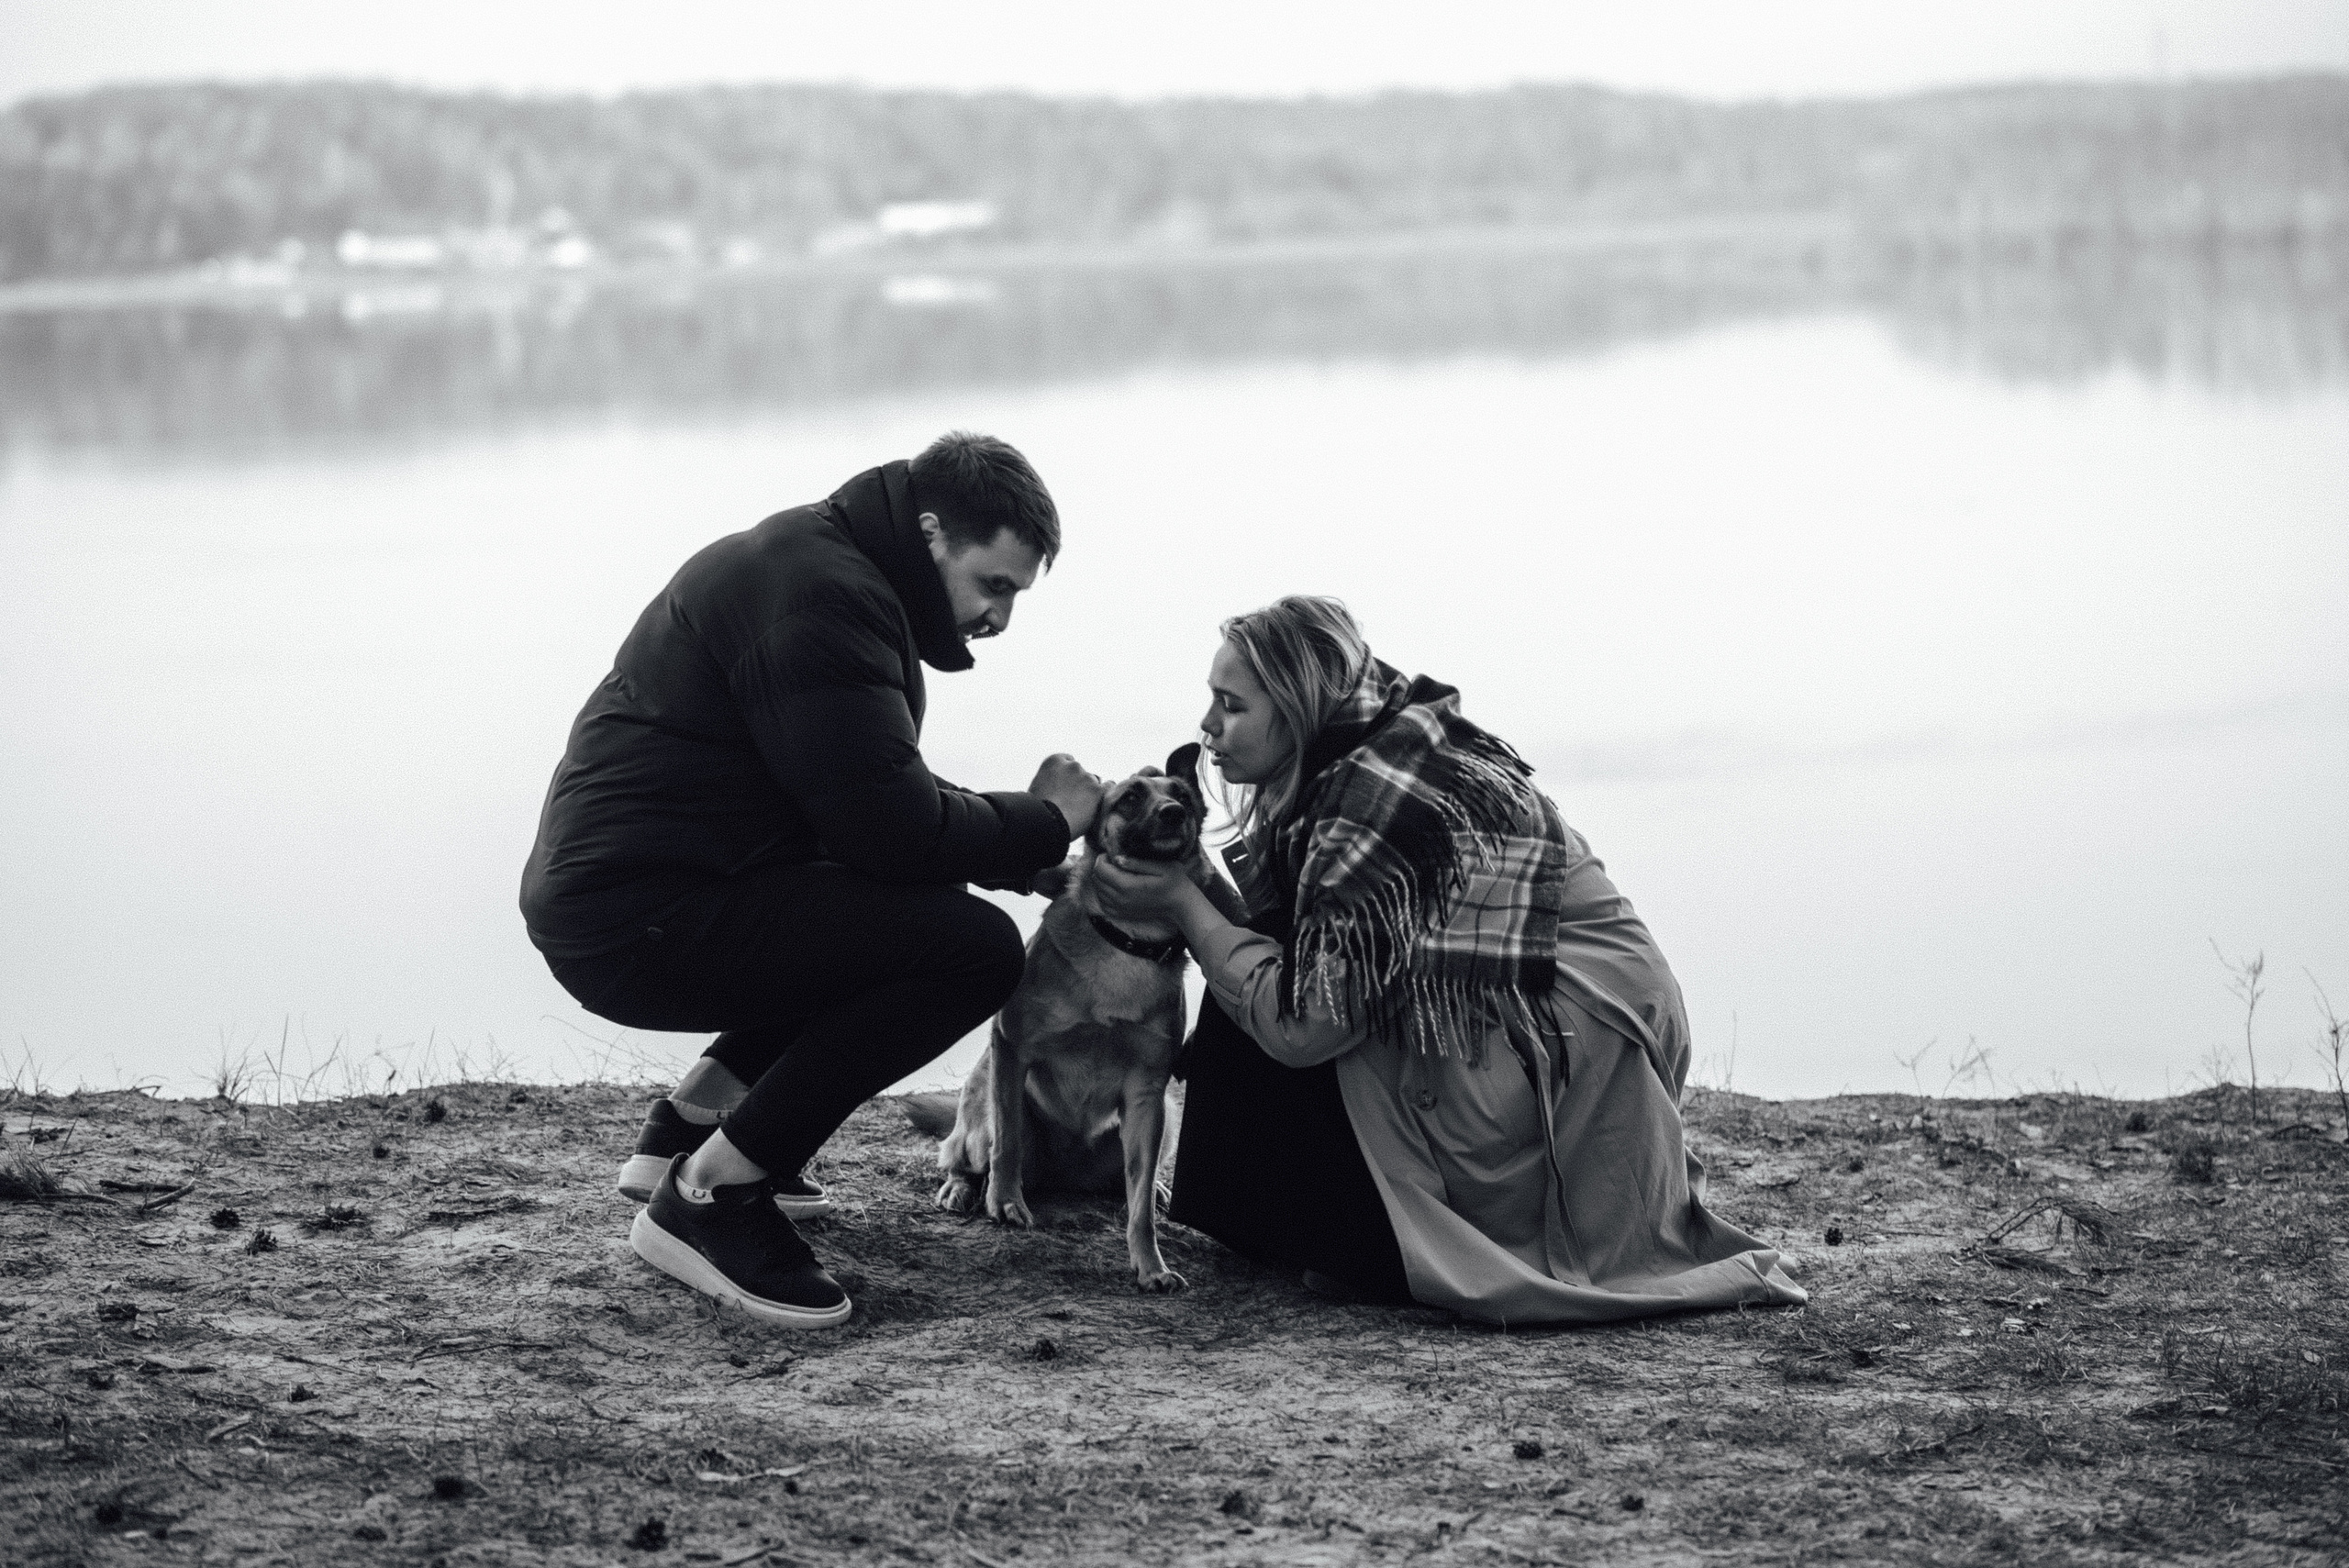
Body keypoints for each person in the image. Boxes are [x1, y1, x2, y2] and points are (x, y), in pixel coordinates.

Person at [521, 432, 1104, 1328]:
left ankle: (689, 1124)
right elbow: (889, 829)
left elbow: (854, 789)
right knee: (971, 951)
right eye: (993, 585)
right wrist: (1048, 817)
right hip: (644, 921)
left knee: (892, 916)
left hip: (642, 897)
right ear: (932, 529)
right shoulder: (821, 599)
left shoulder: (819, 566)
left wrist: (1012, 854)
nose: (998, 619)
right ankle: (711, 1191)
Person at [1091, 595, 1807, 1326]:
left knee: (1255, 1005)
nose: (1208, 725)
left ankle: (1378, 1246)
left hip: (1571, 1061)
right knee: (1252, 975)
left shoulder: (1380, 805)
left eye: (1231, 704)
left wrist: (1184, 906)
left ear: (1298, 706)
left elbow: (1305, 1023)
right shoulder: (1380, 756)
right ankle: (1323, 1230)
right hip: (1566, 1039)